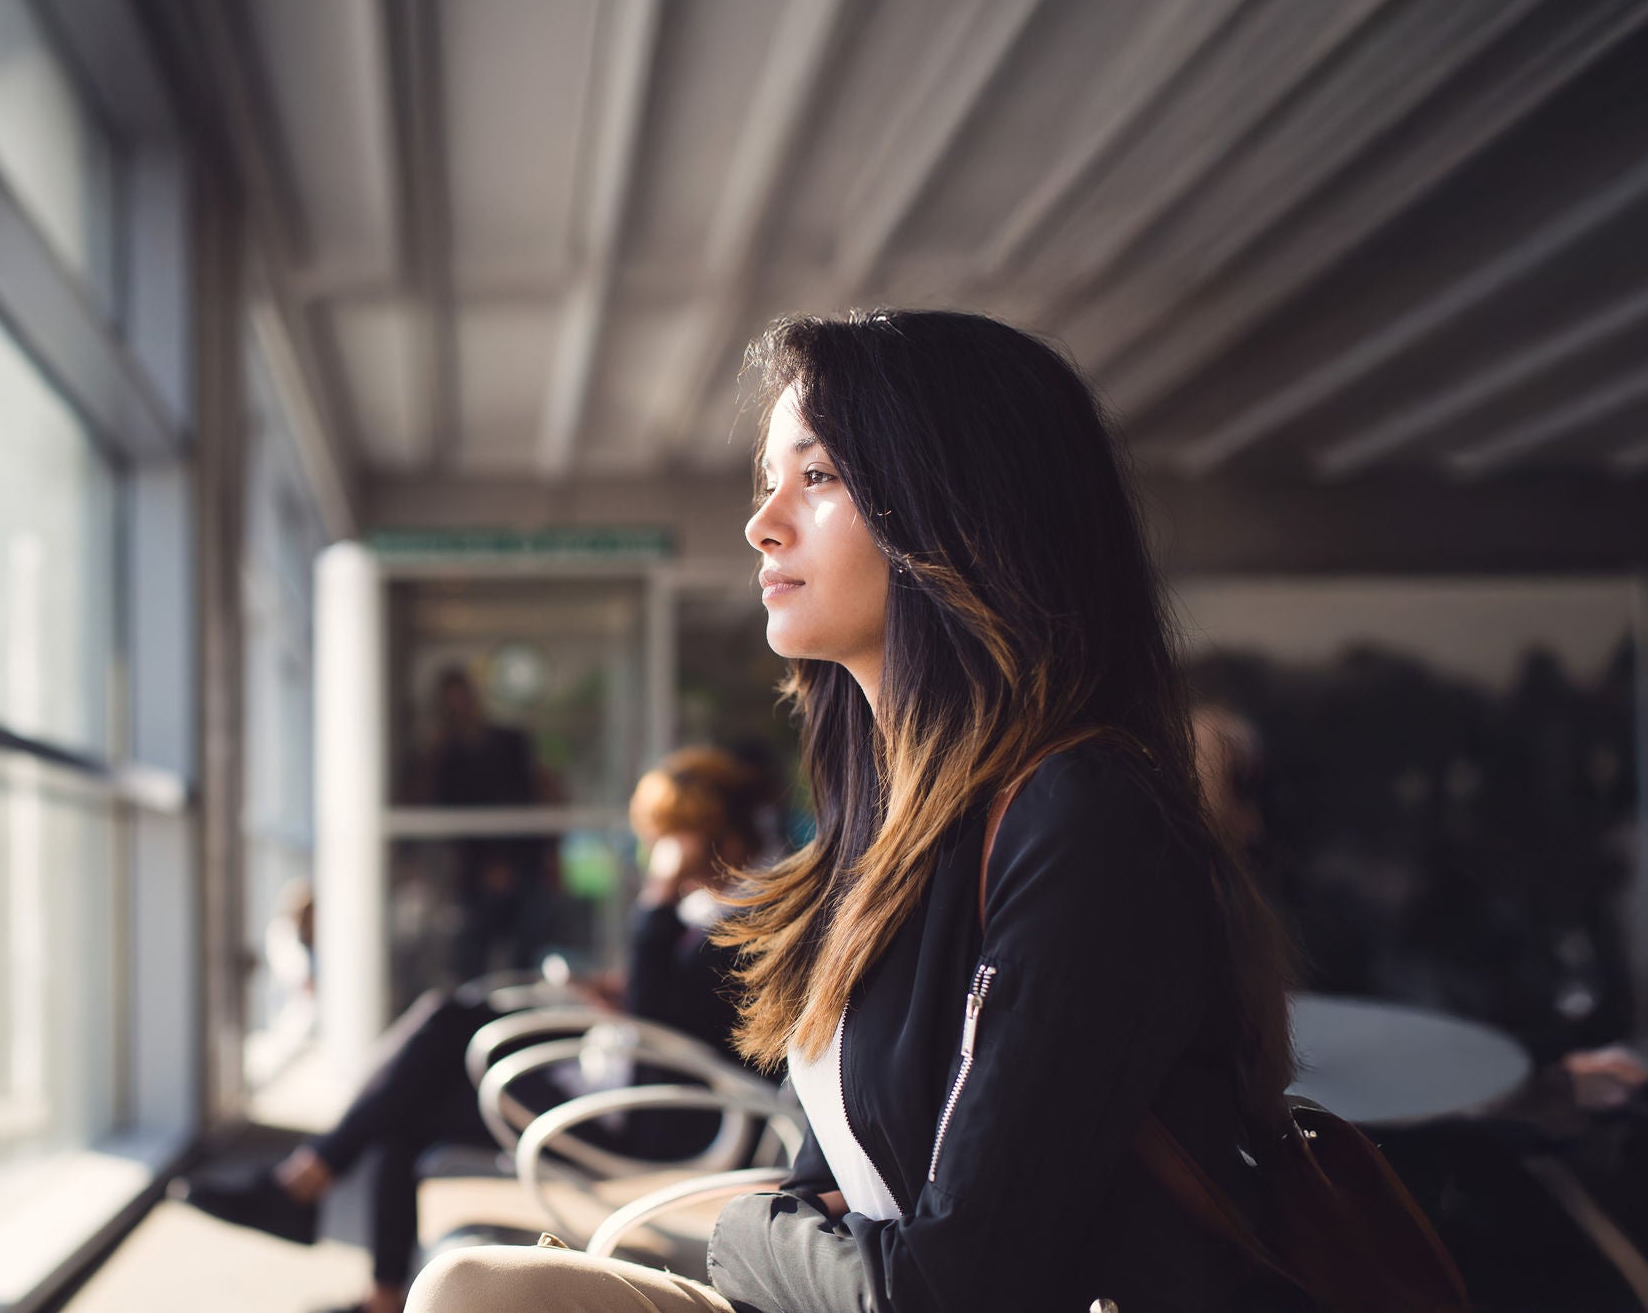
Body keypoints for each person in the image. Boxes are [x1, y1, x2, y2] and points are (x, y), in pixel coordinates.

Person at [405, 309, 1303, 1312]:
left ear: (958, 512)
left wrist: (747, 1230)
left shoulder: (1079, 819)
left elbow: (942, 1291)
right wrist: (793, 1225)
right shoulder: (883, 840)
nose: (762, 523)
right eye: (767, 483)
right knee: (475, 1286)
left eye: (817, 477)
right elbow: (822, 1181)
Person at [179, 747, 774, 1313]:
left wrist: (655, 900)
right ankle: (369, 1279)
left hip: (648, 1119)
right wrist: (612, 989)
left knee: (448, 1024)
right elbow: (675, 1012)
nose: (655, 850)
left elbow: (664, 1026)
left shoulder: (741, 920)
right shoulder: (716, 912)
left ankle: (303, 1184)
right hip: (624, 1091)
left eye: (667, 835)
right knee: (410, 1101)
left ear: (705, 834)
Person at [411, 666, 559, 982]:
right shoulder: (445, 758)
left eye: (462, 699)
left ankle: (525, 1022)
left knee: (526, 958)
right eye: (450, 704)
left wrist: (545, 855)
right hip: (475, 872)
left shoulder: (511, 742)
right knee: (472, 960)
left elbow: (533, 795)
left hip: (524, 862)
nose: (459, 709)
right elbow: (445, 817)